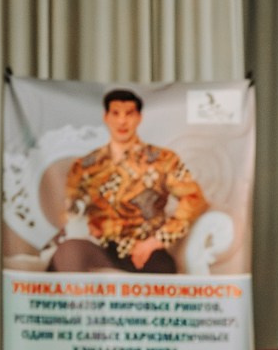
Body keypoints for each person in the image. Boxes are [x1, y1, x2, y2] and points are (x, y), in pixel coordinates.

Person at [51, 88, 208, 274]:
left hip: (143, 250)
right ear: (106, 117)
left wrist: (156, 241)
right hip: (98, 247)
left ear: (139, 118)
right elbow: (70, 207)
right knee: (68, 253)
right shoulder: (85, 165)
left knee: (162, 273)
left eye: (129, 114)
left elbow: (194, 200)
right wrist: (85, 224)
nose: (122, 121)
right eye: (115, 113)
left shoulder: (162, 159)